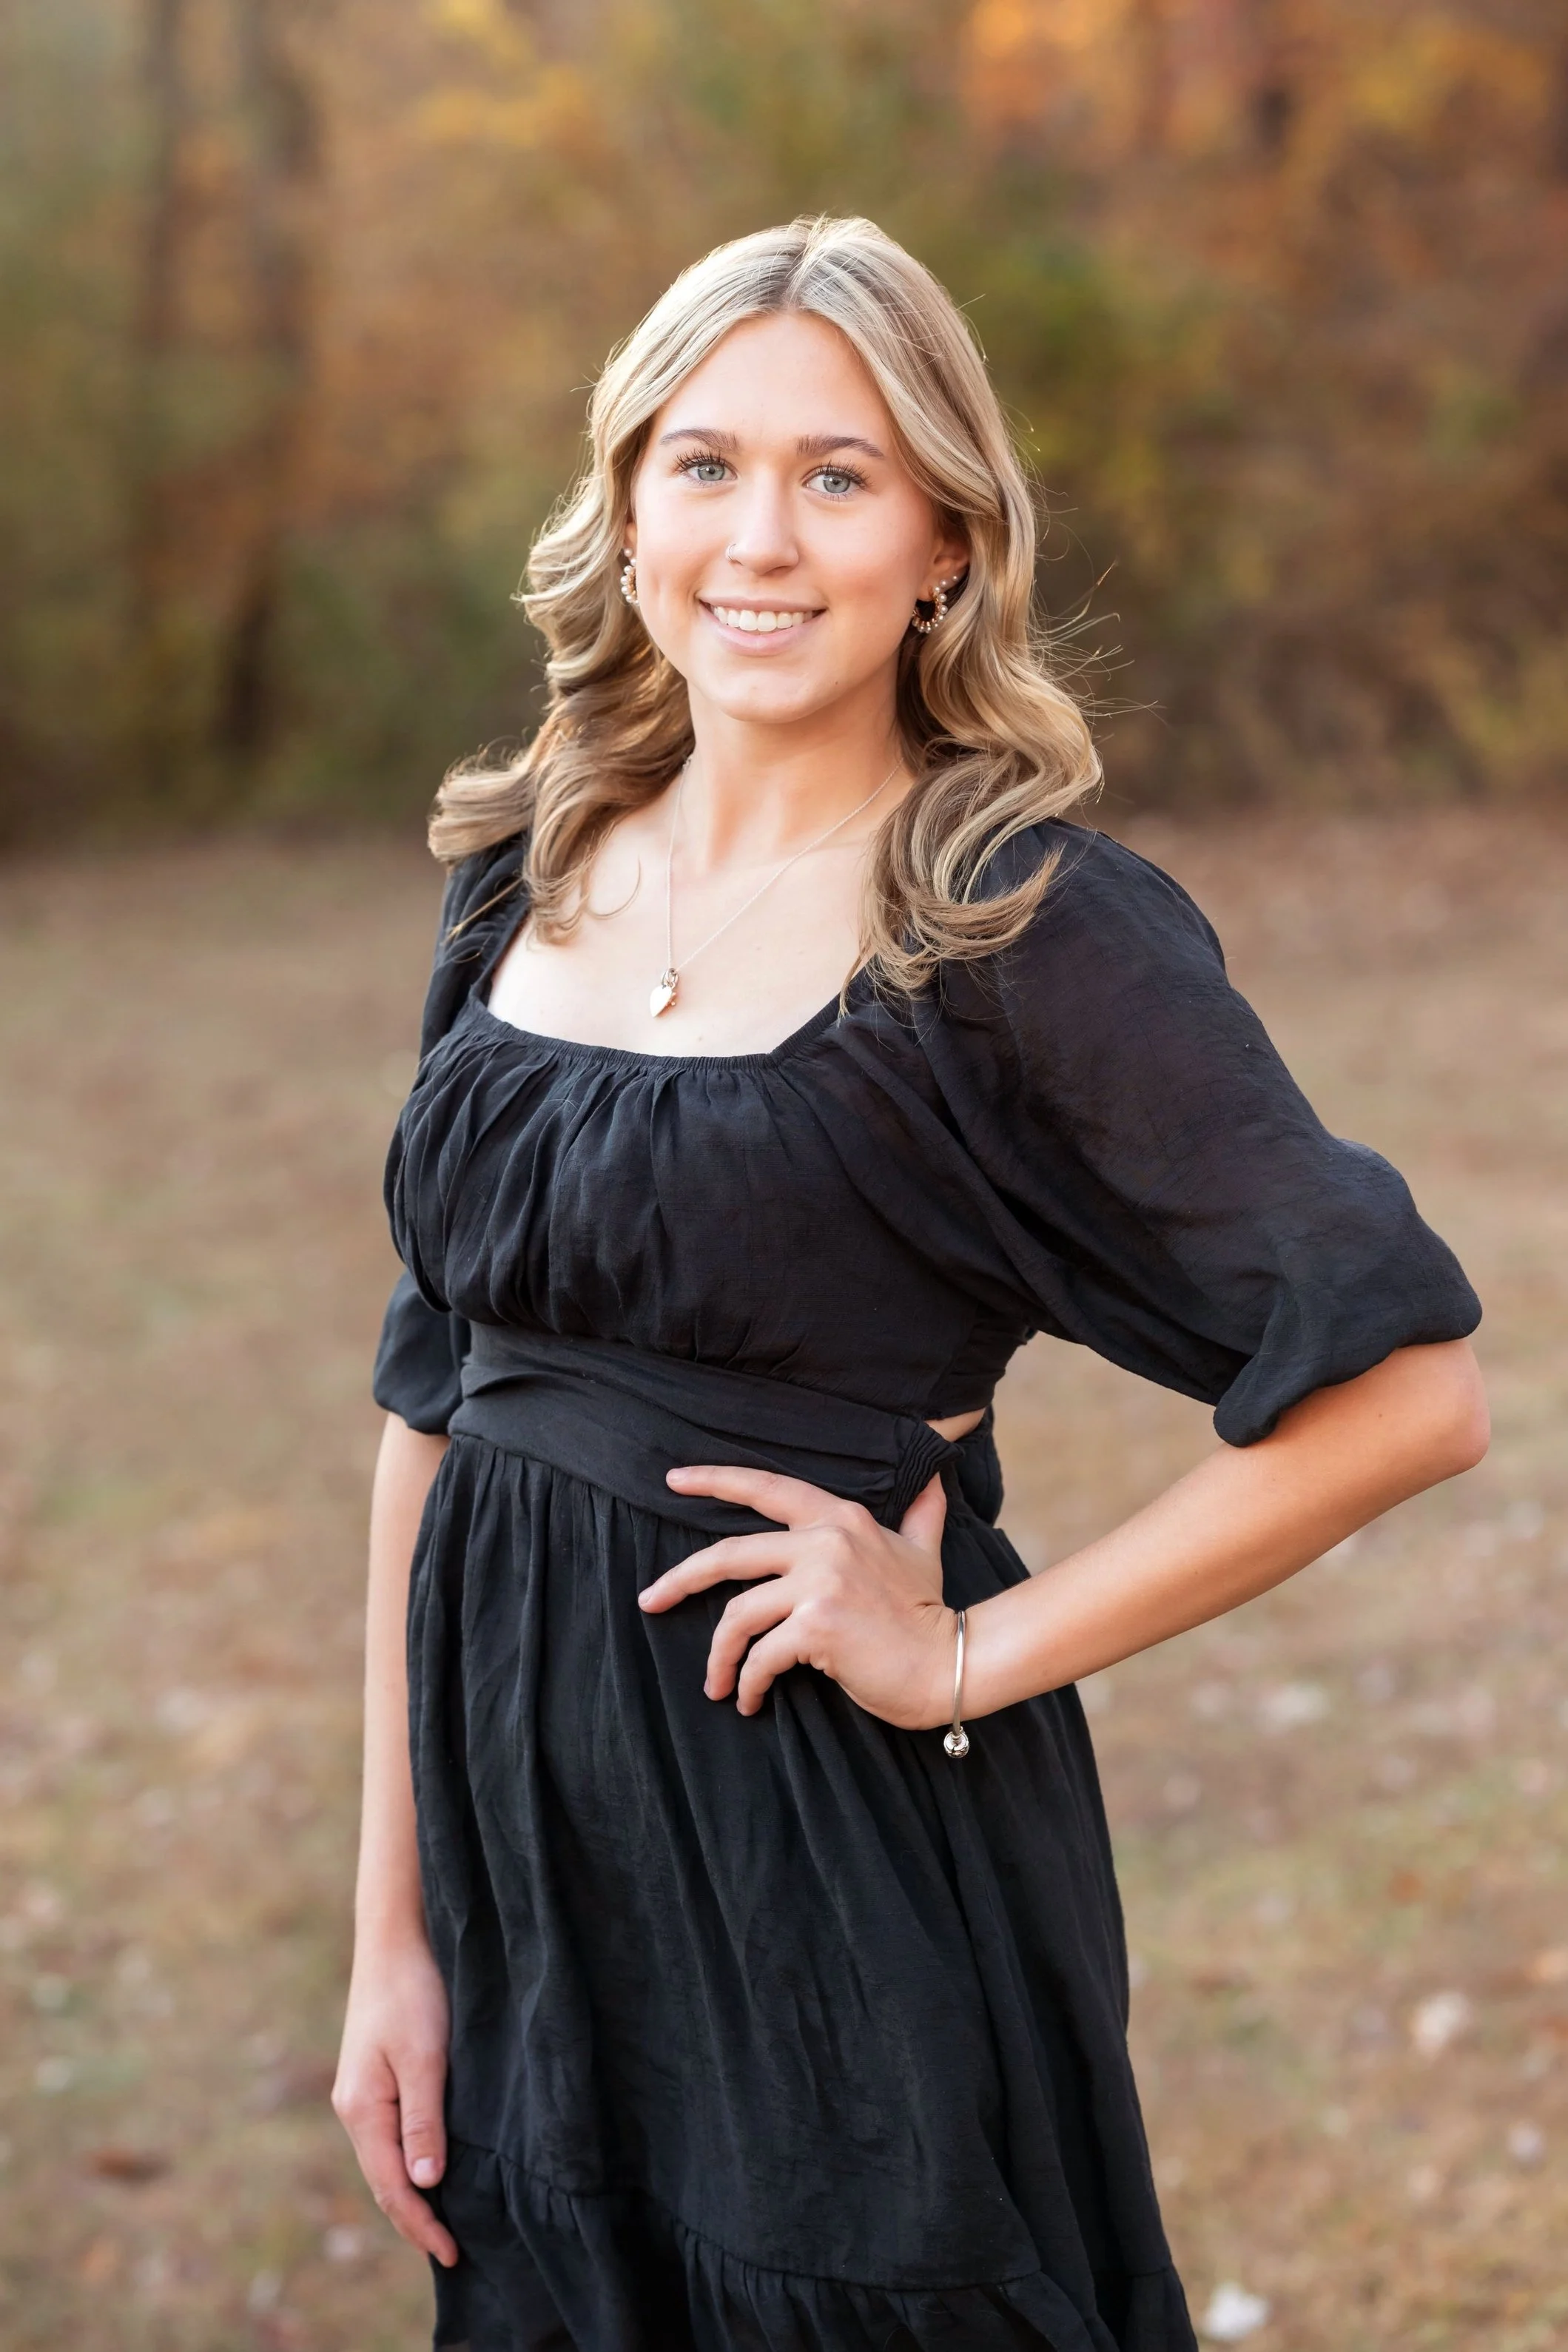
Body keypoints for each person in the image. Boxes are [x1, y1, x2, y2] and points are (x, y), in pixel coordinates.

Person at [332, 216, 1486, 2352]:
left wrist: (965, 1651)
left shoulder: (1015, 922)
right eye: (705, 463)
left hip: (829, 1879)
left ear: (945, 540)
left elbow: (1406, 1391)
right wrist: (390, 1935)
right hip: (526, 1884)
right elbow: (435, 1414)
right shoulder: (521, 873)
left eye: (839, 475)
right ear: (626, 504)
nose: (761, 538)